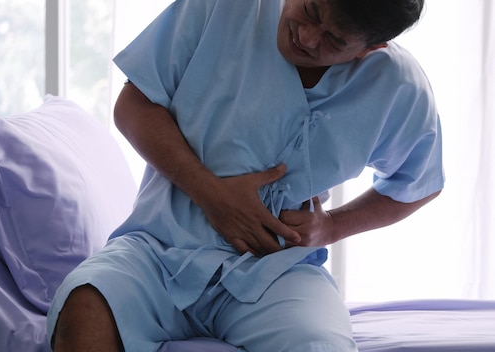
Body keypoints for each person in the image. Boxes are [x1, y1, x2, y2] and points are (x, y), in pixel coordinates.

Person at [47, 0, 444, 350]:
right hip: (157, 249)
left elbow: (418, 185)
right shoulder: (223, 6)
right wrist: (211, 196)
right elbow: (132, 104)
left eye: (334, 41)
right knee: (83, 309)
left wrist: (331, 227)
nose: (306, 37)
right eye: (310, 11)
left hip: (277, 272)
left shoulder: (397, 86)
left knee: (320, 345)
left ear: (370, 49)